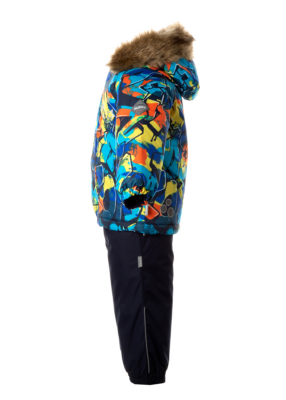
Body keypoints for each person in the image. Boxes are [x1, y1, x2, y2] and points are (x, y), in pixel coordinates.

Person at [90, 21, 200, 386]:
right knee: (146, 293)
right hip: (140, 210)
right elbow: (141, 139)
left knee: (137, 292)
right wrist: (136, 190)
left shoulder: (129, 78)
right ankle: (148, 375)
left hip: (125, 209)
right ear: (175, 55)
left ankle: (145, 371)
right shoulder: (150, 83)